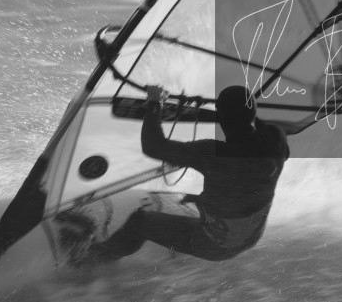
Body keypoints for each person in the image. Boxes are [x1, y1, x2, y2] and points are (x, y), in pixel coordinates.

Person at [82, 84, 289, 263]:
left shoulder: (212, 154)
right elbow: (254, 131)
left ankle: (94, 259)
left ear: (220, 116)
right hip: (252, 237)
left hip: (215, 245)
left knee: (140, 222)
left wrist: (155, 102)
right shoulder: (276, 141)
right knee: (231, 192)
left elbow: (154, 146)